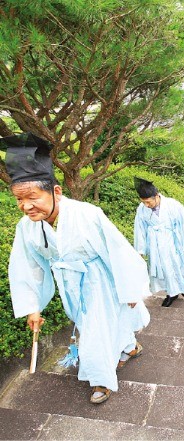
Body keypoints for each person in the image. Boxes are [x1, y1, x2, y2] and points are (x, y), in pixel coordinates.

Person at [0, 133, 151, 405]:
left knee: (95, 332)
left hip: (100, 280)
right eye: (19, 200)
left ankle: (101, 380)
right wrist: (32, 306)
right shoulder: (27, 226)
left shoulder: (87, 214)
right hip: (68, 283)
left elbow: (117, 250)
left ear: (56, 191)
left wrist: (130, 289)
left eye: (32, 197)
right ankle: (130, 347)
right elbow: (26, 265)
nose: (26, 206)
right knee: (99, 325)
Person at [134, 177, 184, 307]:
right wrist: (140, 250)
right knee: (163, 269)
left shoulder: (173, 205)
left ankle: (183, 287)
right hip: (154, 243)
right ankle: (171, 293)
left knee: (177, 265)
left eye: (148, 202)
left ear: (156, 196)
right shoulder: (141, 209)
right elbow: (139, 229)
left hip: (171, 241)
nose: (146, 205)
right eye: (143, 202)